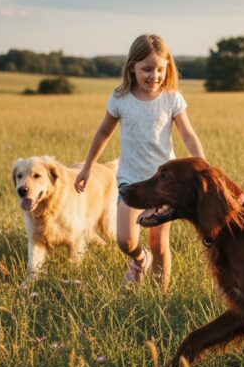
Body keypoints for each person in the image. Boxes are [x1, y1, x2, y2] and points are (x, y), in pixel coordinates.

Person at [75, 34, 205, 289]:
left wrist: (202, 165)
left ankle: (160, 296)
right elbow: (103, 132)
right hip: (131, 180)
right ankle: (139, 259)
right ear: (132, 67)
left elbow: (188, 134)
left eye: (160, 69)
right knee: (125, 240)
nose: (154, 76)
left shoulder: (172, 99)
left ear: (168, 68)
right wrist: (88, 167)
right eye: (147, 69)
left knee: (159, 243)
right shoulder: (120, 99)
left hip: (165, 184)